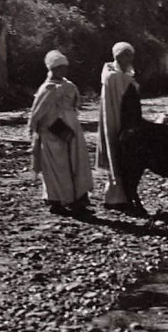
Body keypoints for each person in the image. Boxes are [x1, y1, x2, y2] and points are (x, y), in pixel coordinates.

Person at [28, 49, 94, 216]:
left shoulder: (69, 86)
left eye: (65, 67)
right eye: (59, 68)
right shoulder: (47, 88)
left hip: (72, 130)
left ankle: (78, 198)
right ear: (52, 69)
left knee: (76, 163)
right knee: (57, 168)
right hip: (51, 133)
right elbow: (37, 114)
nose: (63, 71)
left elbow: (75, 106)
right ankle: (56, 200)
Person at [96, 40, 141, 208]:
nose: (129, 58)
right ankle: (115, 199)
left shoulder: (124, 74)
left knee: (124, 157)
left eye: (130, 55)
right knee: (115, 154)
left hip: (124, 118)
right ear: (117, 56)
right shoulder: (112, 75)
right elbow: (126, 88)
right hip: (114, 118)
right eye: (125, 55)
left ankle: (122, 197)